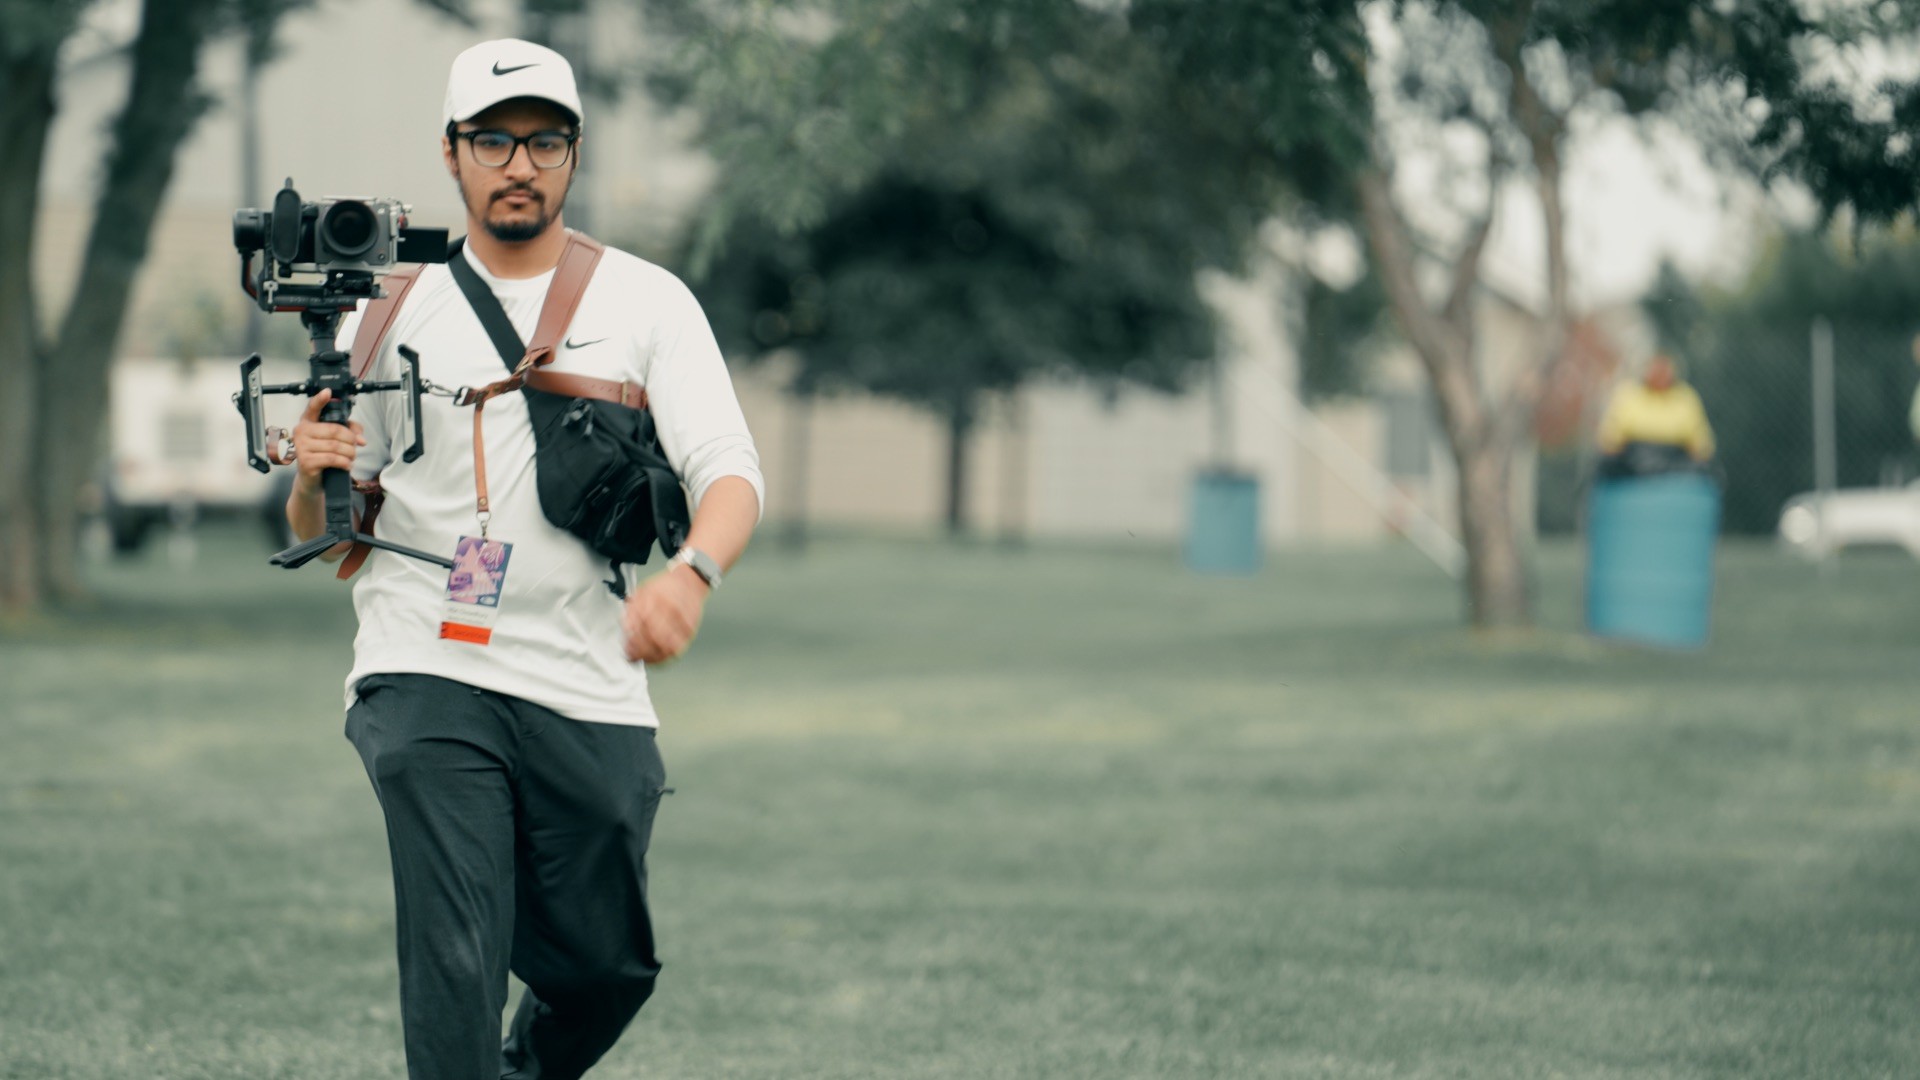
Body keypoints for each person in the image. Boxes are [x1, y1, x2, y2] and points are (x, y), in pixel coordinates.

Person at [285, 39, 763, 1080]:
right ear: (451, 152)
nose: (520, 165)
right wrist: (312, 472)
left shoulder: (648, 301)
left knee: (606, 971)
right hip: (425, 666)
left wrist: (691, 574)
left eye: (545, 142)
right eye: (494, 141)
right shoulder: (385, 305)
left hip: (586, 676)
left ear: (574, 154)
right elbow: (329, 533)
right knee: (457, 950)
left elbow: (730, 469)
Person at [1594, 352, 1716, 478]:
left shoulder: (1686, 398)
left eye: (1664, 370)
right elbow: (1610, 440)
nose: (1660, 374)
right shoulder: (1628, 395)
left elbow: (1702, 446)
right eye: (1656, 369)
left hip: (1676, 465)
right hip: (1633, 464)